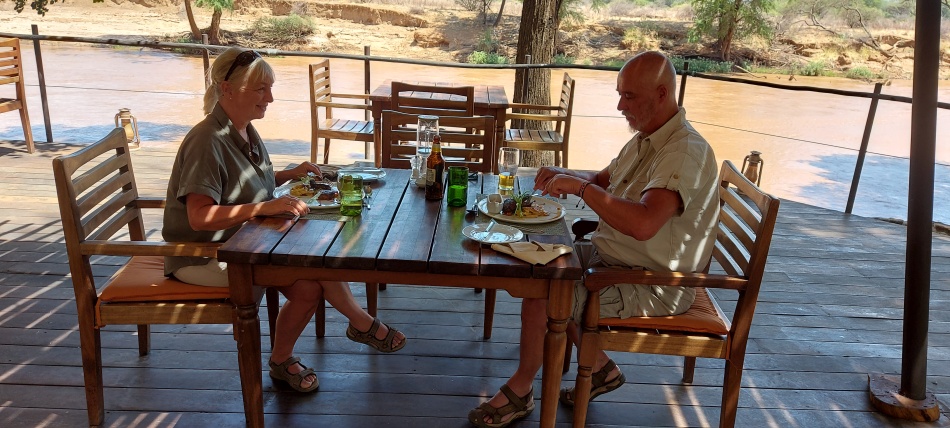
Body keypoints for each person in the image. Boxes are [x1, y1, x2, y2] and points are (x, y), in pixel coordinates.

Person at [468, 51, 720, 427]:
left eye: (629, 96)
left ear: (662, 94)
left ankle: (521, 390)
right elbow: (603, 180)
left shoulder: (683, 152)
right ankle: (600, 369)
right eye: (620, 95)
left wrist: (581, 189)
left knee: (545, 291)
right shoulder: (649, 137)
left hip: (651, 283)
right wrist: (564, 173)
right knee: (540, 259)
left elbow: (644, 224)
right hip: (613, 260)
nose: (620, 106)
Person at [162, 47, 406, 393]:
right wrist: (262, 208)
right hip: (203, 256)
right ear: (227, 88)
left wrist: (288, 174)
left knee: (310, 283)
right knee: (316, 266)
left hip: (247, 243)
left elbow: (246, 183)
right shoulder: (207, 140)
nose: (270, 98)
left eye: (270, 89)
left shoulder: (243, 130)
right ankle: (362, 324)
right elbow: (199, 217)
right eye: (260, 89)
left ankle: (283, 360)